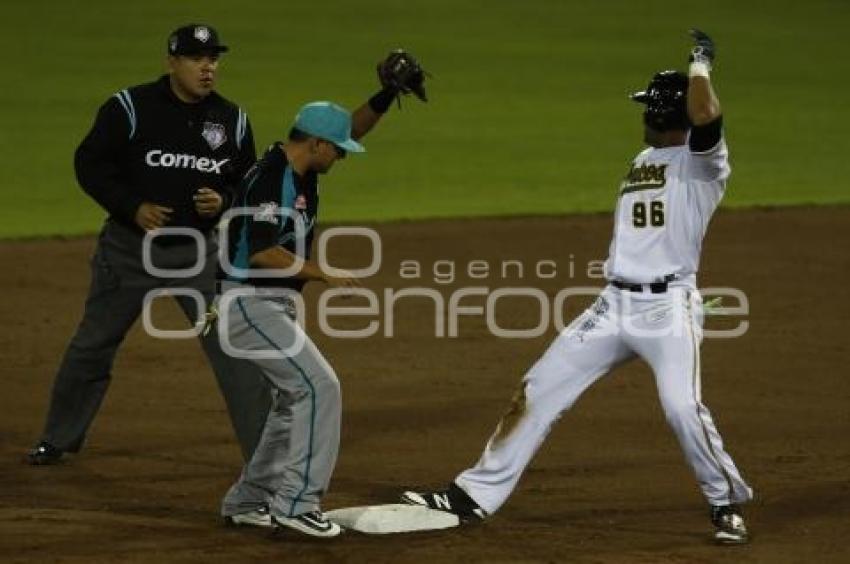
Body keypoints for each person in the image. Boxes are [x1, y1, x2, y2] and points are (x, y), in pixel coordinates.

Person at [401, 30, 754, 545]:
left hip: (666, 309)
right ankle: (473, 494)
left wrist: (700, 65)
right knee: (538, 388)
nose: (640, 117)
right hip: (612, 305)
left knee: (682, 406)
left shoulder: (703, 164)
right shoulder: (641, 162)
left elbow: (705, 117)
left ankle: (725, 502)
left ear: (660, 115)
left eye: (646, 109)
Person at [28, 24, 271, 465]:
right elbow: (89, 163)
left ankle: (264, 456)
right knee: (93, 343)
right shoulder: (130, 108)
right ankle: (57, 438)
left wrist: (225, 200)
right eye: (197, 59)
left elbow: (249, 184)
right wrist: (131, 206)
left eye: (213, 59)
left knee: (234, 350)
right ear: (171, 62)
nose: (208, 68)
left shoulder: (232, 120)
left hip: (199, 254)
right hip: (129, 250)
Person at [214, 52, 428, 538]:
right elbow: (260, 252)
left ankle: (250, 499)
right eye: (338, 149)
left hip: (267, 304)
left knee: (293, 402)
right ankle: (296, 504)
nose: (344, 154)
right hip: (246, 302)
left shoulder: (303, 165)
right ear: (314, 144)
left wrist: (386, 96)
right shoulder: (272, 178)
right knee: (319, 387)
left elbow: (348, 126)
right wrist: (322, 272)